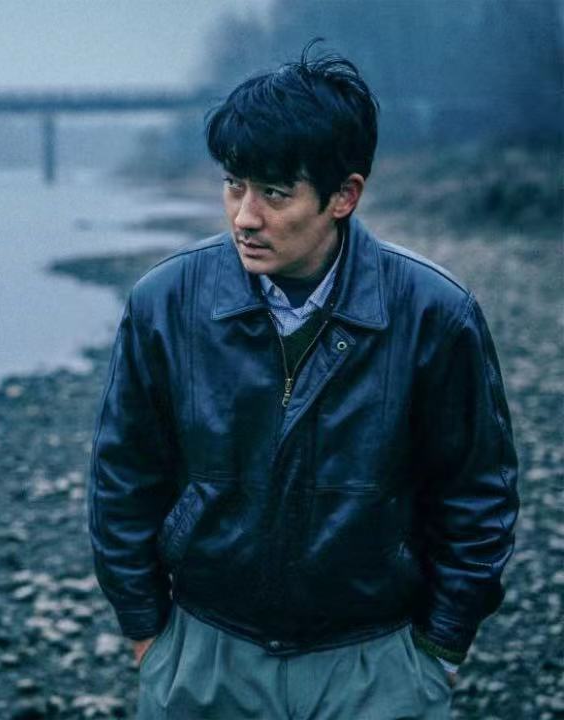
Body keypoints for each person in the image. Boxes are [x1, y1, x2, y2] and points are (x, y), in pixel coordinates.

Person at [88, 43, 519, 719]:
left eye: (275, 192)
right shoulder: (165, 303)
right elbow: (123, 479)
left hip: (375, 663)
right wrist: (149, 634)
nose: (244, 216)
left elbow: (476, 493)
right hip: (204, 654)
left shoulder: (434, 313)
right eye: (234, 184)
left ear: (344, 195)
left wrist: (439, 648)